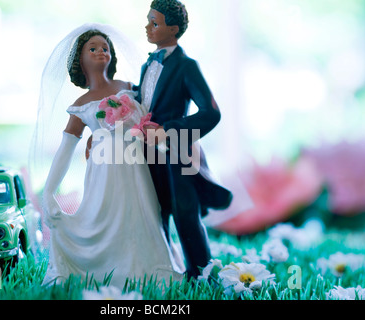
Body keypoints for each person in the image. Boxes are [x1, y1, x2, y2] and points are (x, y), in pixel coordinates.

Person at [38, 25, 184, 288]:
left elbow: (150, 114)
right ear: (79, 61)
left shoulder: (127, 87)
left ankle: (149, 267)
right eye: (92, 49)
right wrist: (49, 191)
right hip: (103, 172)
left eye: (105, 48)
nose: (100, 52)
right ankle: (103, 266)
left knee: (142, 212)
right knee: (104, 214)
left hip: (135, 166)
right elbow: (65, 148)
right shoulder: (82, 105)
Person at [135, 0, 233, 279]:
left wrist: (169, 129)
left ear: (173, 29)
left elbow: (211, 113)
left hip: (178, 153)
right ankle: (163, 267)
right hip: (146, 152)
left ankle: (201, 272)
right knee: (154, 210)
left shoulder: (186, 66)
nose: (148, 27)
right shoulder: (148, 65)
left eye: (155, 23)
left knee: (184, 212)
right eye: (148, 20)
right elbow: (144, 101)